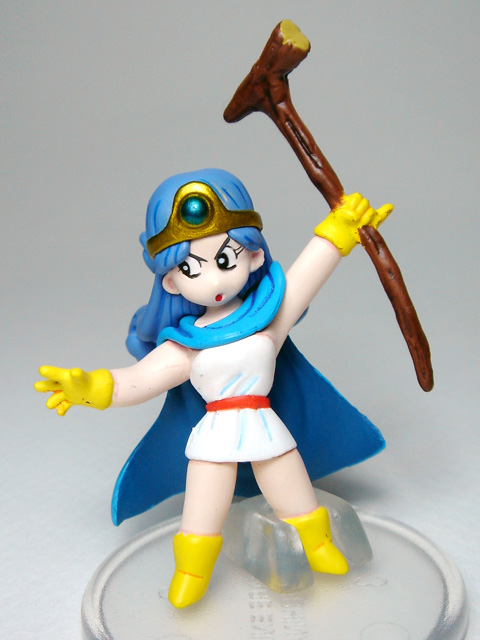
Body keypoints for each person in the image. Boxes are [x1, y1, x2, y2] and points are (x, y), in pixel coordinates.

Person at [35, 168, 392, 608]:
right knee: (203, 505)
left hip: (264, 423)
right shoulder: (187, 343)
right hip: (215, 432)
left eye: (226, 259)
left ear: (254, 256)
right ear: (171, 280)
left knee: (291, 488)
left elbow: (305, 277)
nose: (214, 280)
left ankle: (318, 545)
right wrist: (90, 387)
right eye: (191, 268)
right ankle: (192, 570)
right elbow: (139, 380)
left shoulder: (266, 317)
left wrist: (340, 229)